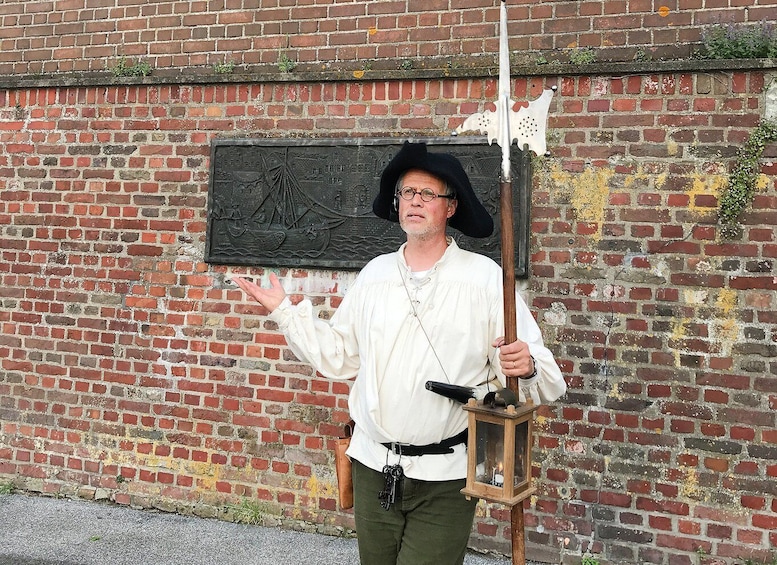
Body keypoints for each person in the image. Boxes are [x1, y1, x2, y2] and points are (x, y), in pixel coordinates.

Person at [233, 142, 566, 565]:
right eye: (407, 193)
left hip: (445, 476)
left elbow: (544, 378)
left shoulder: (485, 281)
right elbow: (340, 356)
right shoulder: (375, 275)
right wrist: (284, 311)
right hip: (374, 468)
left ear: (450, 207)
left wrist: (526, 366)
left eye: (428, 194)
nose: (415, 201)